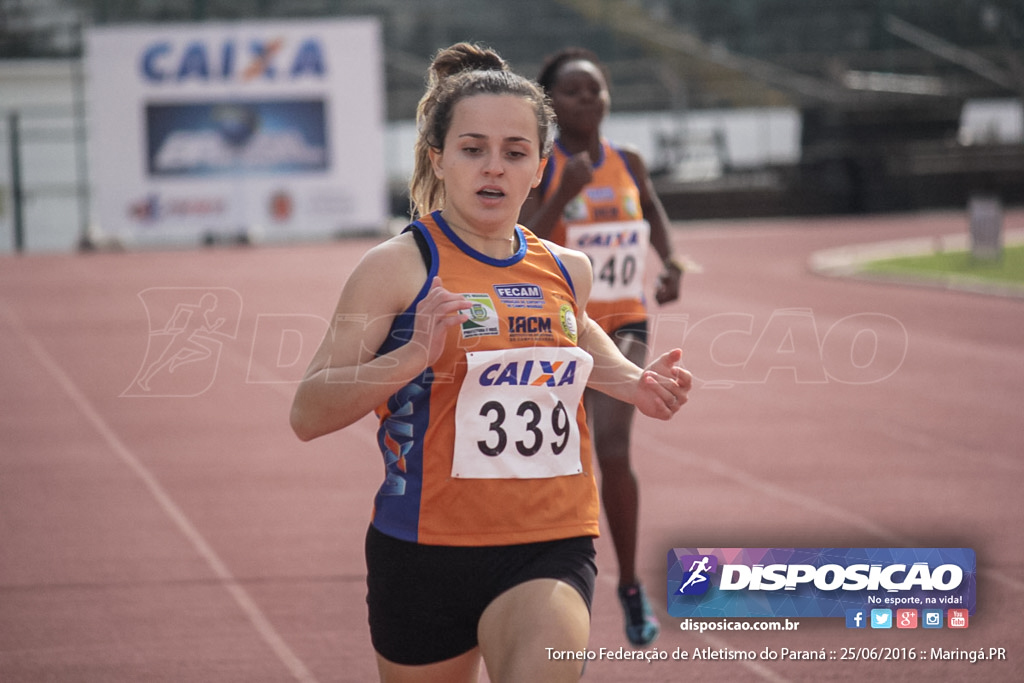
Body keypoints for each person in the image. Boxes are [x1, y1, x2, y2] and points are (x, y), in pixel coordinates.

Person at [290, 42, 691, 683]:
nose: (494, 169)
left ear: (539, 168)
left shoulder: (567, 268)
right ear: (438, 159)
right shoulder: (397, 267)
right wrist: (413, 355)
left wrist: (634, 381)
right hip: (422, 551)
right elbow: (308, 412)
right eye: (473, 149)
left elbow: (576, 330)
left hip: (550, 541)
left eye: (515, 152)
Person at [519, 47, 685, 647]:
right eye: (573, 92)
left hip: (627, 323)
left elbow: (655, 216)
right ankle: (551, 584)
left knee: (613, 447)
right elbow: (521, 240)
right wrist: (563, 192)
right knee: (562, 456)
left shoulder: (629, 160)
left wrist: (672, 265)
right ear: (551, 104)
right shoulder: (540, 165)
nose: (587, 100)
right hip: (559, 326)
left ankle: (630, 586)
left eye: (596, 89)